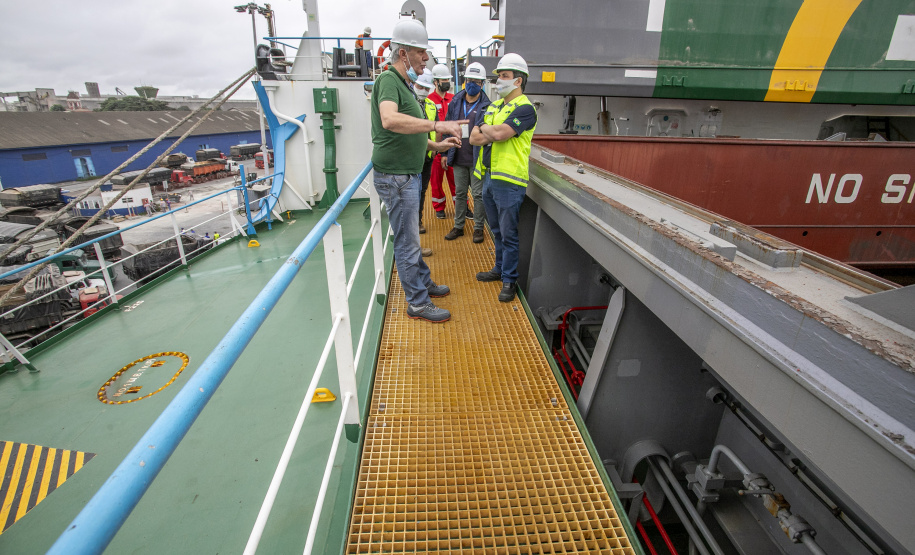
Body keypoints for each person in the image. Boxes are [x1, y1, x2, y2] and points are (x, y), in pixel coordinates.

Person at [370, 19, 465, 323]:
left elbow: (408, 131)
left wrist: (436, 145)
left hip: (406, 173)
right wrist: (437, 124)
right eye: (421, 52)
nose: (426, 58)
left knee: (410, 238)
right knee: (407, 241)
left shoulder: (405, 85)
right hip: (396, 175)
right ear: (403, 53)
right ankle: (418, 303)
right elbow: (389, 120)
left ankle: (423, 283)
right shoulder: (389, 81)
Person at [470, 53, 537, 303]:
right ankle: (499, 269)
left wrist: (487, 129)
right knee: (496, 230)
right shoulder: (495, 106)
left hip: (510, 182)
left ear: (518, 81)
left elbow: (499, 134)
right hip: (489, 177)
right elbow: (474, 138)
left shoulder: (525, 109)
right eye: (499, 75)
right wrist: (491, 131)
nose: (499, 80)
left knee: (509, 234)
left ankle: (509, 280)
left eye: (504, 76)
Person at [443, 62, 490, 244]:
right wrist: (445, 153)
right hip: (458, 156)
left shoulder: (487, 105)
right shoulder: (456, 102)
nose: (472, 84)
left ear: (482, 84)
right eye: (469, 80)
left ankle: (478, 228)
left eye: (476, 81)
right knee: (460, 193)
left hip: (477, 158)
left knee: (478, 195)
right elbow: (447, 126)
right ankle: (458, 226)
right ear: (465, 81)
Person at [427, 63, 456, 220]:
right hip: (436, 148)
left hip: (452, 145)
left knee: (455, 179)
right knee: (436, 181)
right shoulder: (429, 101)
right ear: (435, 82)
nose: (446, 82)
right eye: (443, 80)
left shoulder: (454, 99)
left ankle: (462, 207)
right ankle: (439, 208)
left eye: (447, 79)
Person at [413, 69, 437, 237]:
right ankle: (412, 223)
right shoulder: (407, 103)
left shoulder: (431, 105)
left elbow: (435, 127)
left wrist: (435, 149)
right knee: (411, 192)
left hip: (427, 157)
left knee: (422, 190)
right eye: (420, 87)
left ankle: (418, 220)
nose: (423, 91)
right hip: (411, 157)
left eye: (426, 88)